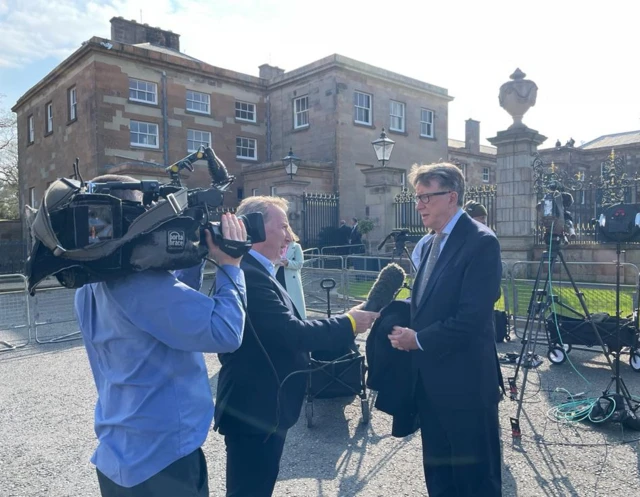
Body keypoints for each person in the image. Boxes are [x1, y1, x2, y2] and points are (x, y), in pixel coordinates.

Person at [74, 174, 248, 497]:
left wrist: (192, 255)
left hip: (118, 456)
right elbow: (225, 331)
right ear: (135, 215)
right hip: (163, 463)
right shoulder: (139, 286)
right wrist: (231, 264)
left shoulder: (90, 284)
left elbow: (171, 319)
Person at [214, 196, 379, 497]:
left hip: (263, 405)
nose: (290, 236)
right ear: (254, 229)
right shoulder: (249, 274)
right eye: (284, 226)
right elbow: (292, 333)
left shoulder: (255, 269)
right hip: (255, 408)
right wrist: (349, 323)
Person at [389, 163, 503, 497]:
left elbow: (472, 317)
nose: (419, 204)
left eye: (426, 197)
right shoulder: (427, 244)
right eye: (417, 197)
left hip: (466, 383)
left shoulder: (481, 242)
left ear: (451, 197)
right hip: (430, 381)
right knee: (439, 475)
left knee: (475, 478)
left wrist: (419, 340)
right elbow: (426, 302)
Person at [411, 200, 489, 269]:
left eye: (485, 218)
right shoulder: (428, 240)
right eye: (481, 218)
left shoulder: (485, 239)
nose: (484, 222)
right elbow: (416, 257)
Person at [275, 228, 307, 319]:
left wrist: (288, 263)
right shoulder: (278, 245)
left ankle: (297, 317)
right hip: (278, 273)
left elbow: (300, 263)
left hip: (290, 277)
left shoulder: (296, 247)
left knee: (293, 300)